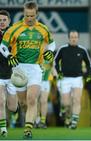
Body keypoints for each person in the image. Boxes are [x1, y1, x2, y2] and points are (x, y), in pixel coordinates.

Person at [0, 1, 55, 139]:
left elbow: (52, 43)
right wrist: (9, 55)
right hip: (19, 69)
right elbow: (3, 46)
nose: (29, 18)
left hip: (36, 68)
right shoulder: (15, 29)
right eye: (26, 15)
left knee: (32, 99)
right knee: (23, 103)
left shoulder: (43, 29)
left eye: (32, 16)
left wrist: (50, 52)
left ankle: (28, 130)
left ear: (37, 14)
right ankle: (28, 118)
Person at [54, 30, 91, 129]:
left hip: (77, 79)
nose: (74, 39)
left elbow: (89, 64)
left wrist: (88, 75)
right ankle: (67, 116)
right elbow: (55, 61)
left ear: (78, 38)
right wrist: (58, 72)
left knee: (76, 100)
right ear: (69, 38)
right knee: (66, 103)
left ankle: (74, 121)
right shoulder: (62, 49)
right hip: (65, 79)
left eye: (75, 37)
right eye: (72, 37)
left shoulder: (82, 50)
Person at [0, 10, 18, 137]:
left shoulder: (14, 34)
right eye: (0, 20)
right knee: (0, 101)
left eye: (4, 20)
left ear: (9, 21)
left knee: (12, 107)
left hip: (12, 75)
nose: (1, 22)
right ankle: (3, 128)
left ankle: (15, 112)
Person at [35, 60, 53, 129]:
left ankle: (43, 121)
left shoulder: (49, 55)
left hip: (45, 81)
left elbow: (52, 67)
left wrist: (56, 74)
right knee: (35, 101)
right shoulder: (36, 53)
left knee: (43, 101)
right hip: (36, 80)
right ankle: (37, 120)